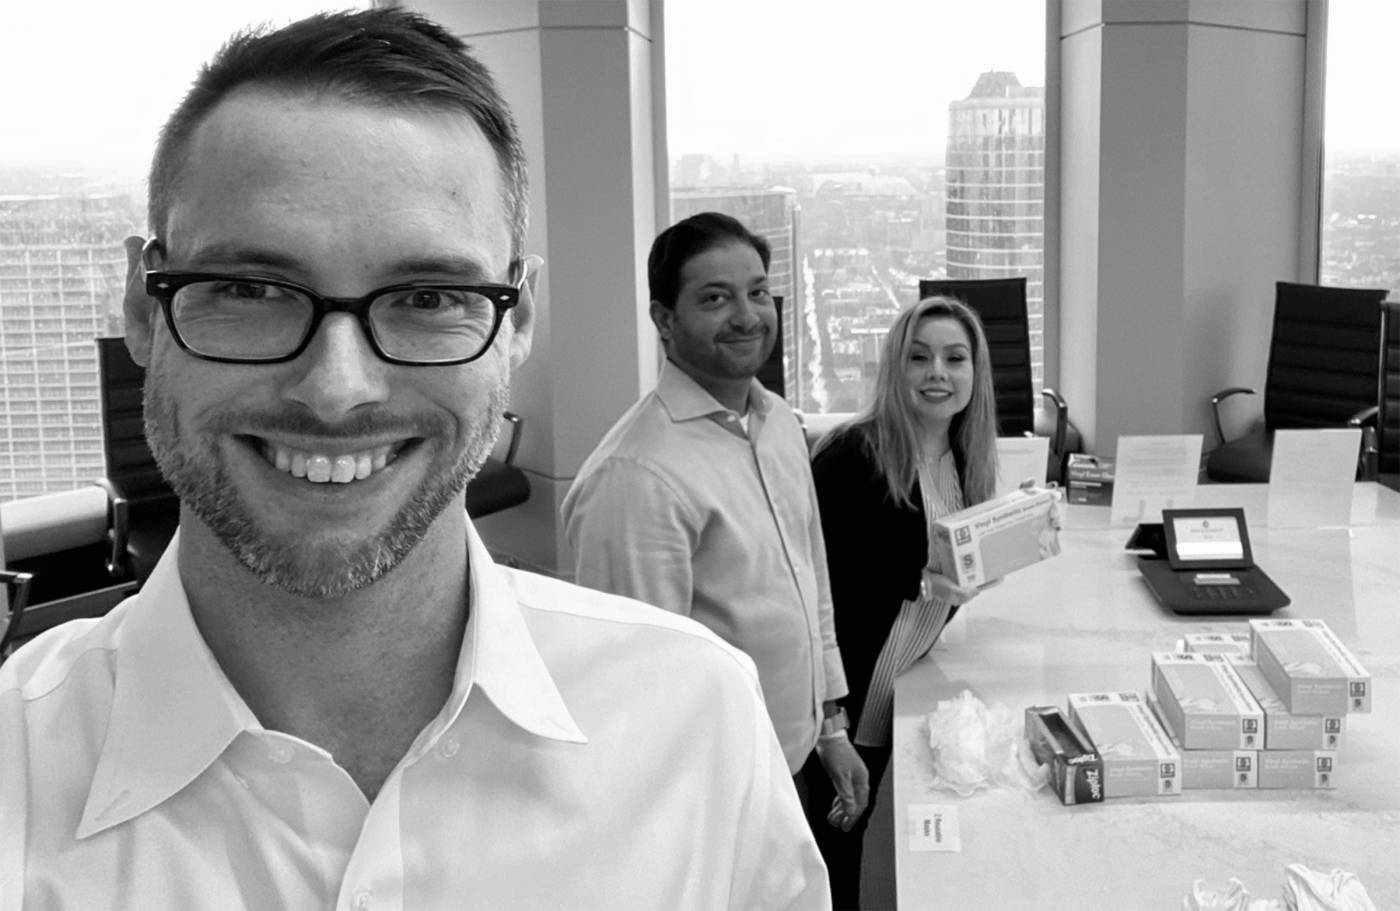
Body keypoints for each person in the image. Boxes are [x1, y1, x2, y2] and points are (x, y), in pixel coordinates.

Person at [0, 11, 829, 909]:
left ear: (516, 321)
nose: (335, 388)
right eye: (248, 288)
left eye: (429, 296)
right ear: (141, 305)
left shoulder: (697, 726)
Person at [561, 212, 870, 839]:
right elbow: (635, 691)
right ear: (664, 320)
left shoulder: (778, 422)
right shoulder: (638, 476)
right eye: (715, 298)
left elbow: (812, 590)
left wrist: (829, 725)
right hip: (710, 799)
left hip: (791, 761)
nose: (748, 315)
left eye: (757, 292)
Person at [805, 296, 1000, 910]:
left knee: (861, 843)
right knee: (830, 854)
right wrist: (829, 725)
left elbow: (941, 568)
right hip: (842, 702)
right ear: (896, 368)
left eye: (954, 358)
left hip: (898, 684)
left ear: (975, 372)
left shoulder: (964, 457)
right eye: (919, 358)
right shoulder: (853, 455)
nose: (937, 372)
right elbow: (813, 594)